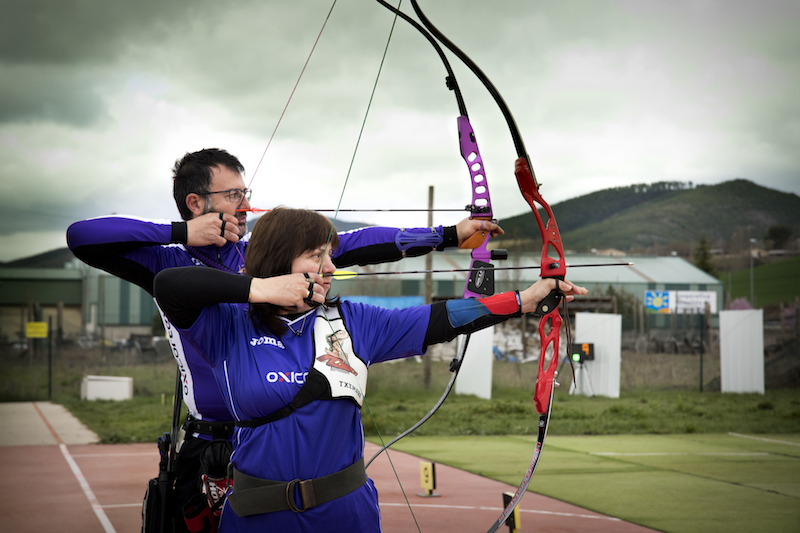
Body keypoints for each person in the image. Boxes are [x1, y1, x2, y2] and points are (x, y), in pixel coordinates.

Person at [66, 148, 503, 531]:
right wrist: (184, 233)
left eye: (245, 194)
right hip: (209, 442)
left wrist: (448, 235)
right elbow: (81, 237)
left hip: (272, 435)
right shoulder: (167, 261)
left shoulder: (263, 252)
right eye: (232, 195)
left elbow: (357, 242)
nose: (245, 205)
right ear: (195, 202)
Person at [153, 207, 587, 533]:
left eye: (330, 257)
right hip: (256, 517)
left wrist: (524, 300)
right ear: (279, 259)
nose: (329, 268)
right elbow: (168, 286)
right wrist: (260, 289)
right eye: (315, 256)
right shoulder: (226, 324)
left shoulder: (353, 320)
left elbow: (438, 319)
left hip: (346, 514)